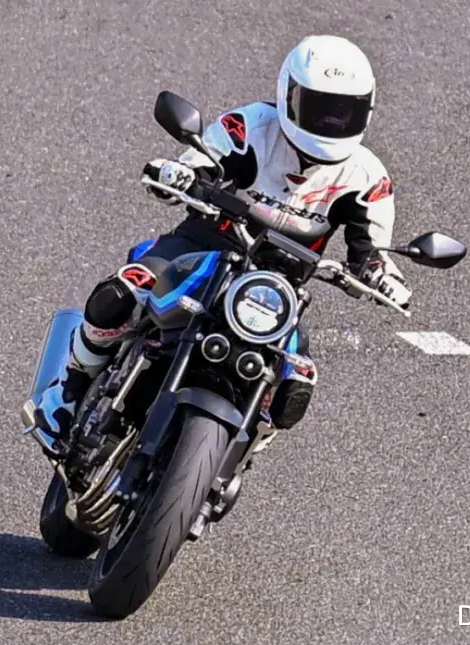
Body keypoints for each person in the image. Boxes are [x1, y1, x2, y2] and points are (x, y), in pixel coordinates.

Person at [28, 35, 413, 456]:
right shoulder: (250, 127)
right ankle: (68, 389)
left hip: (275, 286)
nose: (330, 122)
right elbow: (202, 162)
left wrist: (384, 276)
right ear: (288, 94)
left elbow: (372, 250)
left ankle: (233, 455)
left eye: (343, 112)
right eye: (320, 107)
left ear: (365, 111)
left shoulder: (368, 178)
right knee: (122, 293)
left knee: (295, 381)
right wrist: (179, 174)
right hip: (203, 247)